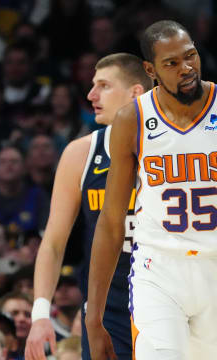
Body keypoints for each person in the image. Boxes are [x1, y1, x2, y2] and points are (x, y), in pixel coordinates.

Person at [85, 20, 217, 360]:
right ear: (150, 70)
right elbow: (112, 221)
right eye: (171, 63)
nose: (186, 68)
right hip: (159, 271)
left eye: (191, 56)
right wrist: (93, 317)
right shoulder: (133, 119)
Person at [25, 53, 153, 360]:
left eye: (104, 86)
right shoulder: (81, 153)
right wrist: (40, 311)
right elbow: (54, 242)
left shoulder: (173, 148)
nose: (90, 95)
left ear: (136, 93)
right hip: (107, 306)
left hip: (171, 295)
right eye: (93, 85)